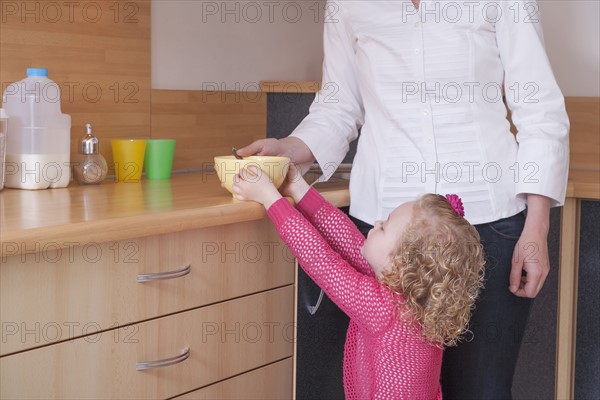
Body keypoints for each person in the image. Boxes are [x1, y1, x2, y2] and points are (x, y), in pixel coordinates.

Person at [237, 1, 569, 398]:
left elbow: (539, 108)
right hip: (383, 230)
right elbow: (339, 107)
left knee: (483, 390)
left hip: (489, 222)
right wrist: (288, 148)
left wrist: (537, 228)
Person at [232, 164, 485, 399]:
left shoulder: (383, 308)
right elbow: (346, 238)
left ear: (400, 263)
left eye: (384, 227)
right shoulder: (413, 297)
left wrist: (270, 199)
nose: (376, 223)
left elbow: (318, 257)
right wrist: (298, 187)